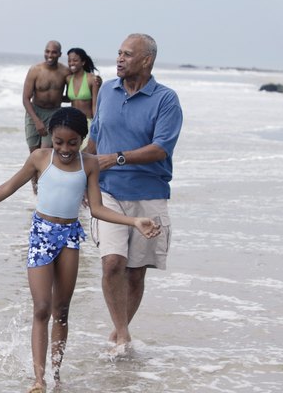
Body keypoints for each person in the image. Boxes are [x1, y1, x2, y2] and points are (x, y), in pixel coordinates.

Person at [0, 107, 160, 393]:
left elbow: (98, 208)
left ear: (82, 139)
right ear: (51, 139)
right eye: (59, 142)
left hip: (69, 237)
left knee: (62, 311)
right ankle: (38, 379)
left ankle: (55, 374)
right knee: (41, 307)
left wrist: (134, 221)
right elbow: (9, 186)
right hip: (41, 234)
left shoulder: (88, 164)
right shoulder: (40, 158)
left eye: (71, 142)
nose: (65, 149)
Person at [85, 33, 183, 356]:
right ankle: (124, 334)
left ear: (146, 60)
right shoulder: (108, 93)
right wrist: (83, 180)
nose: (119, 59)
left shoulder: (166, 100)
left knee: (135, 272)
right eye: (118, 53)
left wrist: (117, 157)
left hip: (149, 193)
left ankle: (117, 332)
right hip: (109, 191)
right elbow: (95, 141)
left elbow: (160, 149)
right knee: (113, 263)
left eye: (127, 54)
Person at [22, 40, 71, 193]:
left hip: (54, 114)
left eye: (54, 52)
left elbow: (74, 93)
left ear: (60, 54)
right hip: (34, 113)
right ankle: (35, 192)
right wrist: (37, 121)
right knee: (34, 155)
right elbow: (25, 98)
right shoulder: (35, 70)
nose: (50, 55)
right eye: (48, 51)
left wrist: (96, 81)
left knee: (45, 154)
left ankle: (44, 190)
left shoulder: (65, 72)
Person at [64, 47, 100, 150]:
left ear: (83, 62)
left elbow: (95, 103)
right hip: (71, 122)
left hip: (87, 122)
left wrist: (96, 124)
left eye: (75, 60)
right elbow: (68, 98)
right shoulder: (68, 79)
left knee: (86, 151)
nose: (72, 63)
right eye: (69, 60)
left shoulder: (92, 79)